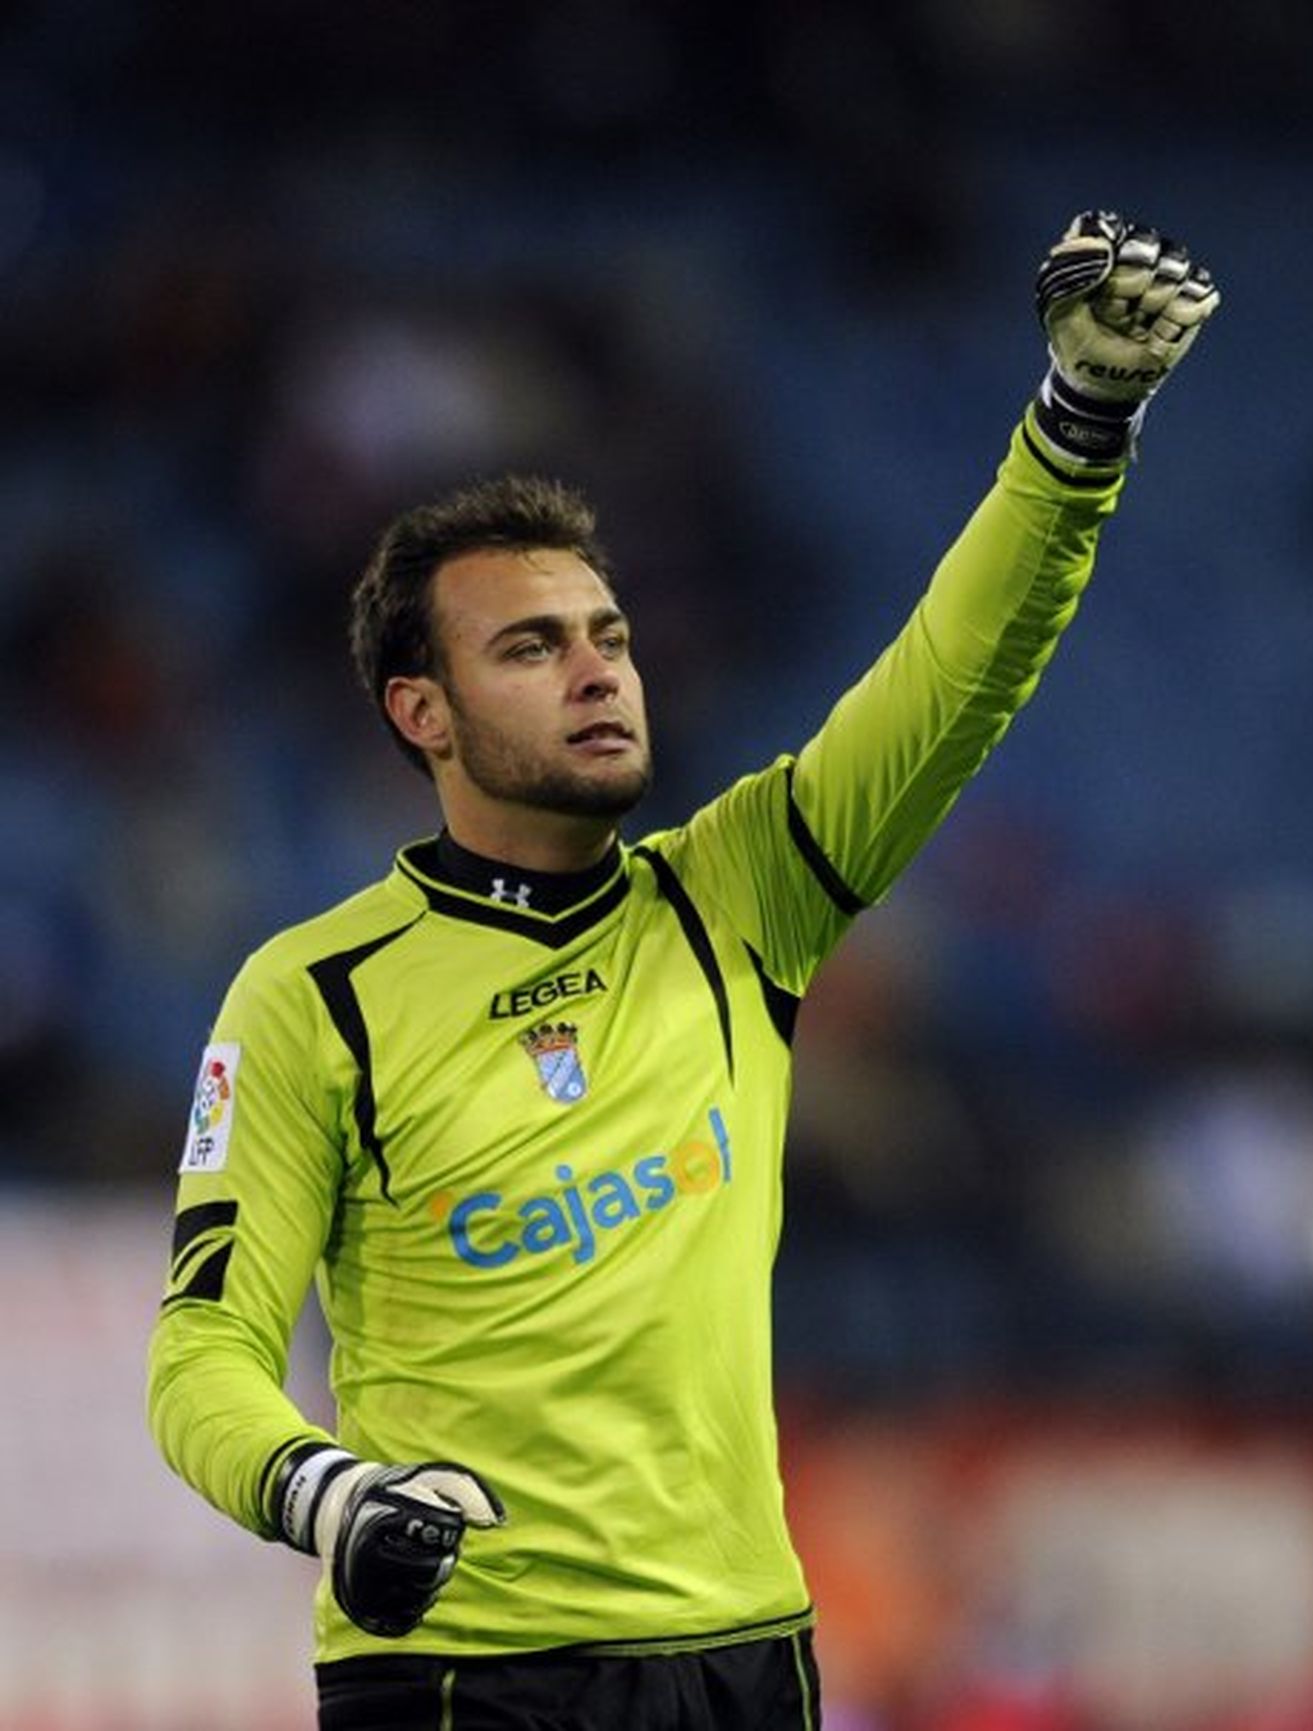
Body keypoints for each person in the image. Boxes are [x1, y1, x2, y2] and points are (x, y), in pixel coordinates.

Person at [147, 209, 1219, 1731]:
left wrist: (1077, 428)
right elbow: (203, 1350)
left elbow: (955, 672)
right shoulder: (311, 995)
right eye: (530, 648)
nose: (597, 670)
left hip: (743, 1658)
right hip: (465, 1673)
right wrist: (322, 1495)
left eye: (611, 634)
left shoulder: (738, 899)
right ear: (421, 713)